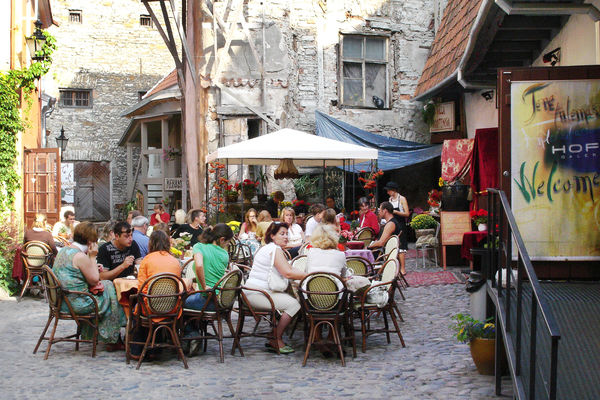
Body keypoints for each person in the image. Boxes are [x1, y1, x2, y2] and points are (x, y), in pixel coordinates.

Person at [52, 222, 126, 349]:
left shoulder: (65, 250)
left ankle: (107, 336)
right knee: (110, 289)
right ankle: (112, 337)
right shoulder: (80, 256)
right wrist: (92, 257)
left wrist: (92, 265)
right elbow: (94, 280)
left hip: (61, 301)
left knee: (106, 287)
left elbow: (77, 273)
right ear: (90, 241)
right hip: (78, 303)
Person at [244, 222, 307, 354]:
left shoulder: (270, 248)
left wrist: (304, 274)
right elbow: (288, 273)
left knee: (292, 301)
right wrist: (309, 275)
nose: (285, 237)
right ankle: (275, 338)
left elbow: (289, 269)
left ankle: (274, 334)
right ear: (272, 236)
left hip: (255, 292)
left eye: (286, 234)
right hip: (257, 294)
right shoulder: (274, 250)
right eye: (282, 234)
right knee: (294, 305)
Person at [130, 230, 182, 359]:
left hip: (151, 307)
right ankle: (156, 346)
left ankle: (137, 349)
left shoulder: (147, 260)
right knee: (153, 307)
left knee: (136, 307)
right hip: (172, 307)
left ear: (151, 243)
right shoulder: (175, 261)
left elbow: (141, 288)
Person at [368, 201, 407, 274]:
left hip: (384, 254)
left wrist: (368, 247)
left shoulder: (391, 224)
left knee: (365, 255)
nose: (379, 212)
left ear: (385, 211)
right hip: (385, 252)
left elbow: (381, 243)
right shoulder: (391, 222)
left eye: (380, 210)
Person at [384, 182, 410, 274]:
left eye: (388, 190)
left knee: (401, 246)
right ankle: (396, 268)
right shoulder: (390, 200)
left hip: (401, 224)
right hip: (393, 224)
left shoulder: (402, 199)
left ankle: (403, 268)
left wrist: (395, 212)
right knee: (394, 245)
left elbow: (407, 213)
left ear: (393, 190)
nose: (387, 192)